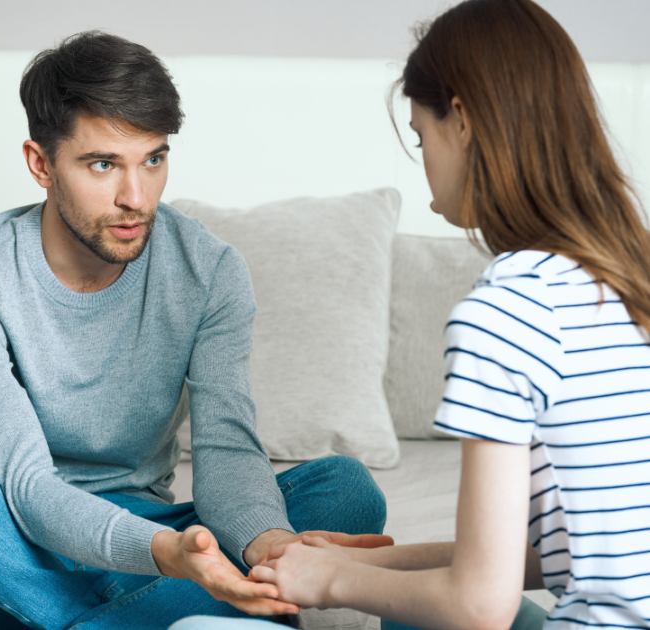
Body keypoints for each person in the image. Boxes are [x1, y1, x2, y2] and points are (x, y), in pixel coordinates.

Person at [0, 31, 393, 630]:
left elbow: (228, 451)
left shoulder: (208, 272)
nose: (135, 198)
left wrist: (264, 546)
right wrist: (168, 558)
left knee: (346, 489)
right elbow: (26, 487)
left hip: (147, 535)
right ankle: (108, 619)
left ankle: (103, 620)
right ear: (41, 164)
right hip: (1, 542)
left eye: (153, 159)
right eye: (103, 164)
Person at [170, 1, 650, 629]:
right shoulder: (626, 276)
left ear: (465, 120)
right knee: (408, 607)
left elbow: (478, 606)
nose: (423, 158)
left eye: (422, 135)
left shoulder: (511, 307)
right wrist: (376, 568)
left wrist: (332, 580)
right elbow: (579, 550)